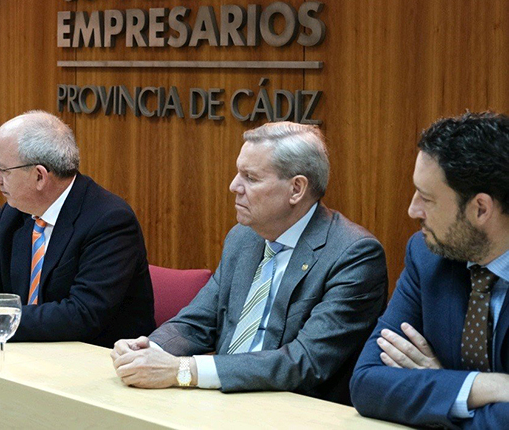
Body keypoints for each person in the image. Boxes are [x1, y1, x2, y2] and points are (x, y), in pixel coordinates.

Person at [111, 122, 387, 405]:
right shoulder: (244, 237)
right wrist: (145, 349)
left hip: (291, 411)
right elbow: (197, 321)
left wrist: (184, 371)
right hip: (222, 401)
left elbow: (304, 362)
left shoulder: (354, 255)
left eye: (250, 178)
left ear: (296, 189)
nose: (234, 186)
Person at [0, 111, 154, 348]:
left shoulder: (109, 221)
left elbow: (82, 314)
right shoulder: (15, 212)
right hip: (31, 351)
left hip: (95, 361)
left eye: (2, 170)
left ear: (39, 176)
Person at [350, 112, 509, 428]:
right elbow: (367, 383)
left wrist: (441, 394)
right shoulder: (427, 255)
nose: (412, 210)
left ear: (480, 209)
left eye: (426, 198)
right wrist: (479, 385)